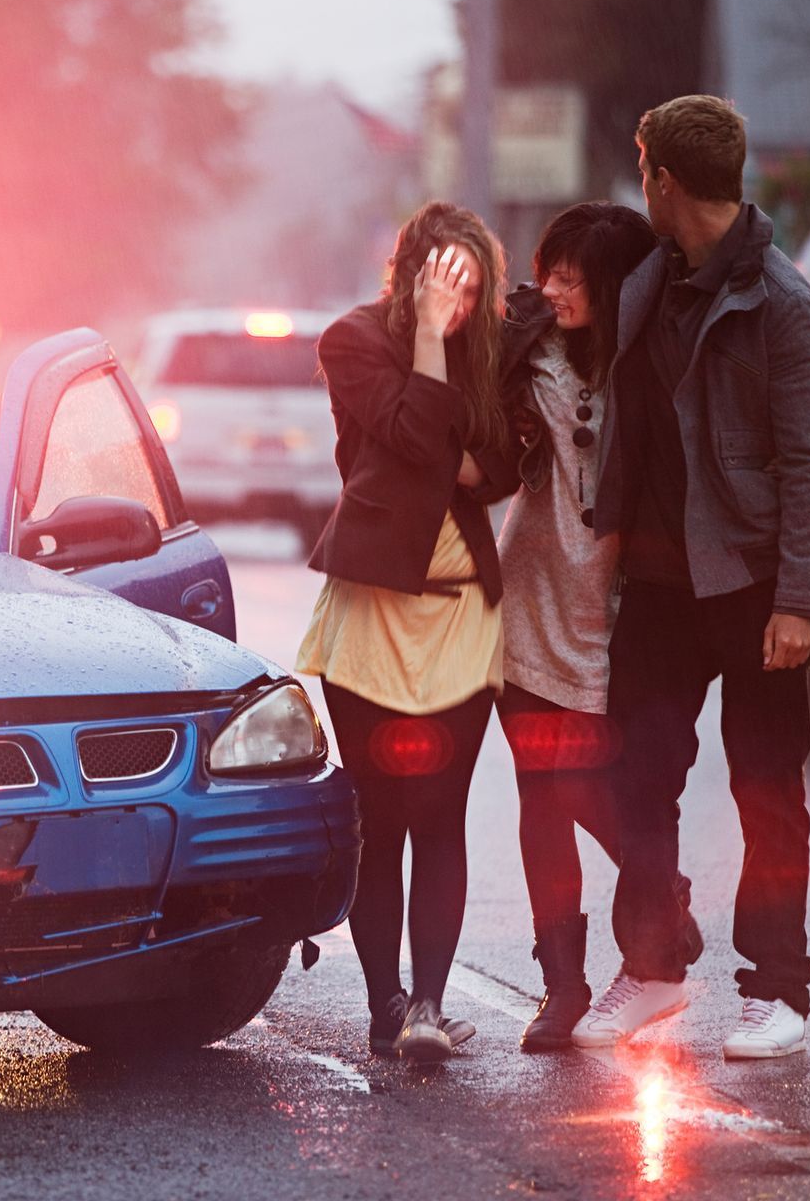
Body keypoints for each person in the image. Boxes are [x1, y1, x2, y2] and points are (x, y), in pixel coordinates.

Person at [571, 96, 810, 1059]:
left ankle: (778, 991)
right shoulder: (650, 276)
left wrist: (800, 600)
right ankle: (650, 973)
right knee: (640, 776)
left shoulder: (779, 302)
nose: (639, 185)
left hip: (753, 585)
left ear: (665, 179)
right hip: (658, 583)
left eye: (642, 169)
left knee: (768, 791)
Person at [297, 201, 517, 1063]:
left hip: (463, 614)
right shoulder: (351, 341)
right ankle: (386, 1006)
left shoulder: (490, 357)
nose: (456, 303)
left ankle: (429, 1005)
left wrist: (447, 440)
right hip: (371, 610)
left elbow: (501, 465)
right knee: (377, 816)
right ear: (412, 274)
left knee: (441, 814)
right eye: (443, 281)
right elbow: (425, 435)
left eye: (471, 286)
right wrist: (429, 345)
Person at [493, 202, 683, 1051]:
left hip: (614, 609)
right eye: (550, 269)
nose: (556, 286)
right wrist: (523, 314)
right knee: (541, 792)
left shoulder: (650, 364)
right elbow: (478, 372)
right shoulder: (529, 352)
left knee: (594, 787)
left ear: (615, 289)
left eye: (574, 275)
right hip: (529, 600)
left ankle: (658, 894)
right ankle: (562, 984)